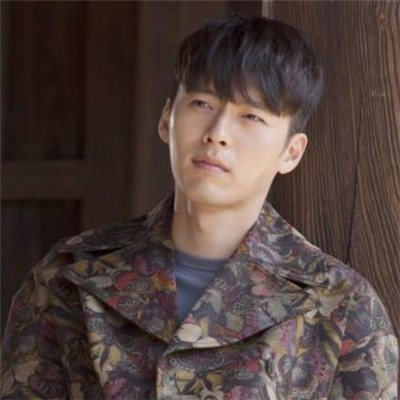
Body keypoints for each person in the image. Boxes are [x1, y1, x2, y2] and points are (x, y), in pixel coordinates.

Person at [1, 15, 398, 400]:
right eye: (202, 103)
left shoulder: (340, 305)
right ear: (166, 118)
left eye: (251, 116)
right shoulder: (68, 277)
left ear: (291, 152)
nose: (218, 133)